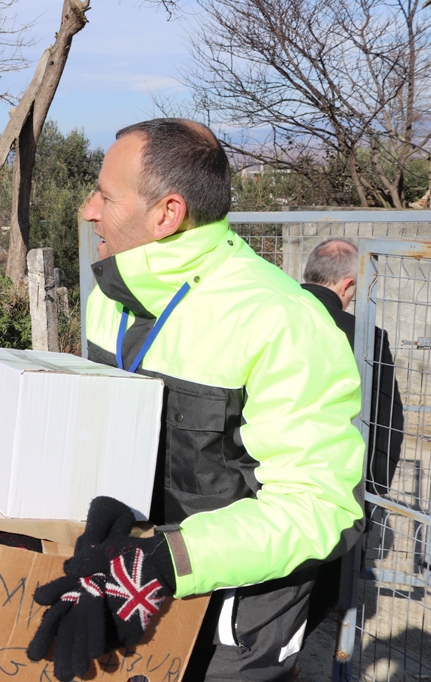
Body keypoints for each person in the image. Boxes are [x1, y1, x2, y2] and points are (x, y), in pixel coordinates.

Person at [27, 119, 365, 682]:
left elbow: (321, 507)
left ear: (167, 213)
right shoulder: (111, 297)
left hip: (233, 630)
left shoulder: (283, 321)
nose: (89, 210)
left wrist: (165, 561)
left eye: (106, 196)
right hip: (123, 591)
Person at [301, 238, 405, 630]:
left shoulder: (260, 313)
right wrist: (371, 495)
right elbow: (385, 424)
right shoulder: (364, 337)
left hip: (251, 479)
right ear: (348, 285)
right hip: (331, 489)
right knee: (325, 589)